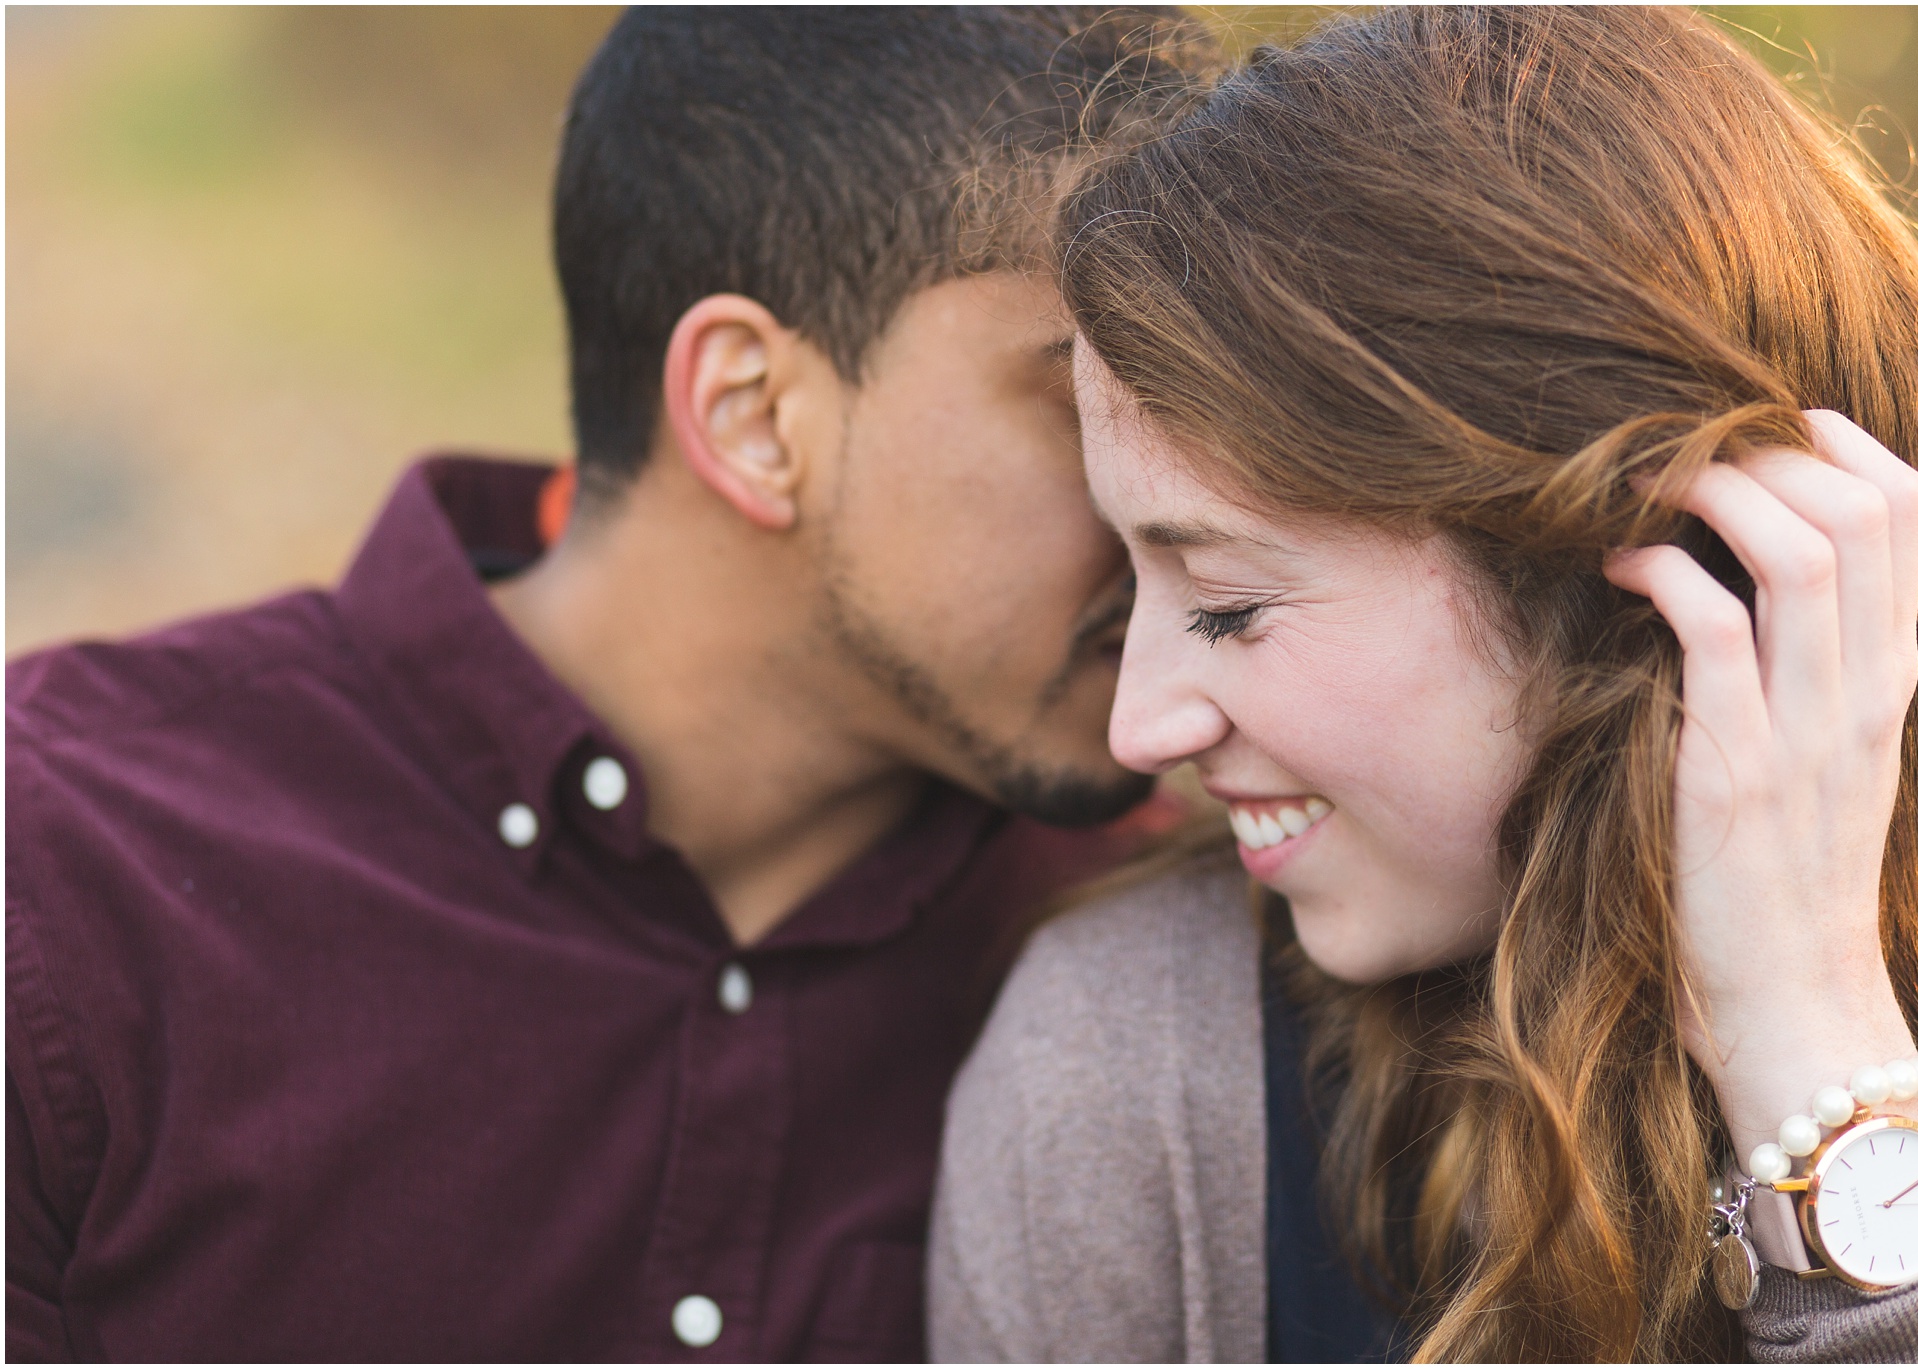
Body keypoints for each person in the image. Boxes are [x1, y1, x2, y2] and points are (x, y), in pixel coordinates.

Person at [6, 9, 1211, 1360]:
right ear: (753, 413)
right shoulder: (59, 883)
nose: (1188, 508)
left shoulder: (1178, 946)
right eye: (1094, 401)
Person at [930, 8, 1918, 1362]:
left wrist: (1812, 1047)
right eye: (1129, 591)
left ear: (1634, 568)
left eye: (1227, 605)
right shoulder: (1125, 1078)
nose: (1139, 725)